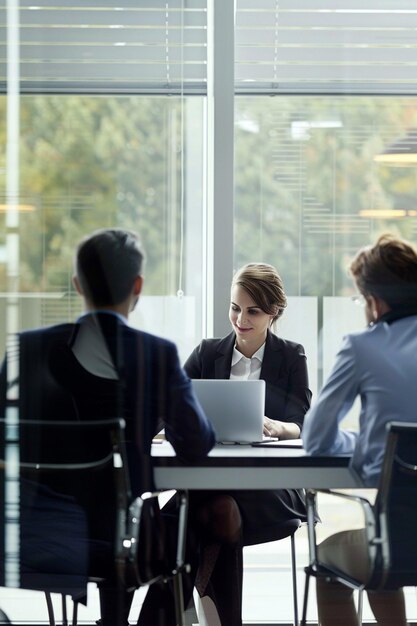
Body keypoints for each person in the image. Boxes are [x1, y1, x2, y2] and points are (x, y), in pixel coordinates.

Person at [0, 228, 215, 626]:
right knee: (199, 519)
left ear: (77, 283)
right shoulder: (156, 355)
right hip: (122, 543)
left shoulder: (24, 349)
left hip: (28, 534)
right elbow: (198, 445)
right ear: (138, 286)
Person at [183, 262, 312, 625]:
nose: (241, 318)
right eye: (235, 307)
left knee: (188, 518)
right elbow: (169, 409)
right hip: (214, 486)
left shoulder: (290, 356)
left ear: (274, 313)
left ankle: (175, 603)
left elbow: (301, 423)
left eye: (253, 311)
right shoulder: (207, 353)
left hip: (269, 488)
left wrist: (276, 427)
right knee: (221, 509)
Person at [302, 233, 417, 626]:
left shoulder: (363, 346)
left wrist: (374, 441)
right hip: (397, 534)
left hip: (397, 535)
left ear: (374, 300)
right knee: (385, 548)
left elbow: (316, 440)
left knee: (333, 564)